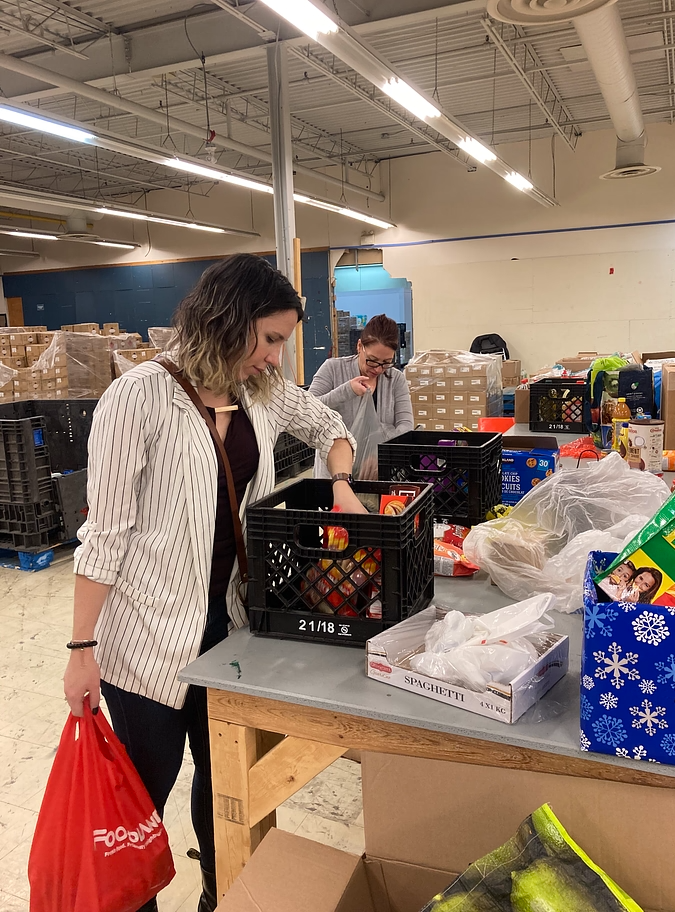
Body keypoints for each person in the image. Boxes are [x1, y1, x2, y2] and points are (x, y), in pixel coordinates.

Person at [63, 254, 365, 912]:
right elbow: (106, 533)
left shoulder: (261, 391)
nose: (278, 357)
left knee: (224, 775)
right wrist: (80, 649)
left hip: (229, 630)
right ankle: (131, 902)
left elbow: (331, 428)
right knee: (143, 792)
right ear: (229, 323)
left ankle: (218, 894)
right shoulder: (137, 396)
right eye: (272, 339)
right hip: (144, 640)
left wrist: (341, 481)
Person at [309, 314, 414, 478]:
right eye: (372, 360)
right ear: (359, 346)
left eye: (386, 362)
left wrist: (379, 454)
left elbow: (405, 426)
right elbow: (309, 409)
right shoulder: (332, 369)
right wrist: (346, 391)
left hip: (378, 474)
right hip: (334, 475)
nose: (378, 369)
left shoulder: (396, 380)